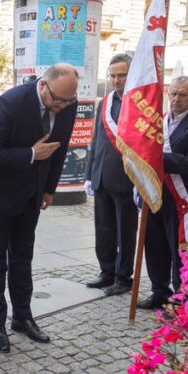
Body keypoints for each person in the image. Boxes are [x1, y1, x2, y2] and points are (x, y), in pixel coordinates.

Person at [0, 63, 78, 353]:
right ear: (43, 85)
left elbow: (61, 147)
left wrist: (48, 189)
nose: (62, 106)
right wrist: (31, 154)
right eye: (58, 100)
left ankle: (22, 316)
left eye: (68, 101)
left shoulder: (67, 103)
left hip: (31, 195)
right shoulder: (11, 102)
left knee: (23, 258)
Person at [138, 76, 188, 310]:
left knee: (179, 252)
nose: (176, 99)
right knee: (155, 248)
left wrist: (157, 159)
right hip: (155, 196)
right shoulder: (157, 122)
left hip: (181, 199)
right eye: (173, 93)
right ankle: (159, 291)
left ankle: (182, 298)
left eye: (182, 94)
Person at [83, 54, 137, 297]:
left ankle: (123, 276)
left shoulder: (139, 103)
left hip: (126, 178)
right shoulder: (104, 103)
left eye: (121, 75)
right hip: (101, 175)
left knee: (124, 231)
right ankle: (106, 271)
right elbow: (95, 140)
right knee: (103, 228)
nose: (116, 80)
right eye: (113, 75)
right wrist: (88, 173)